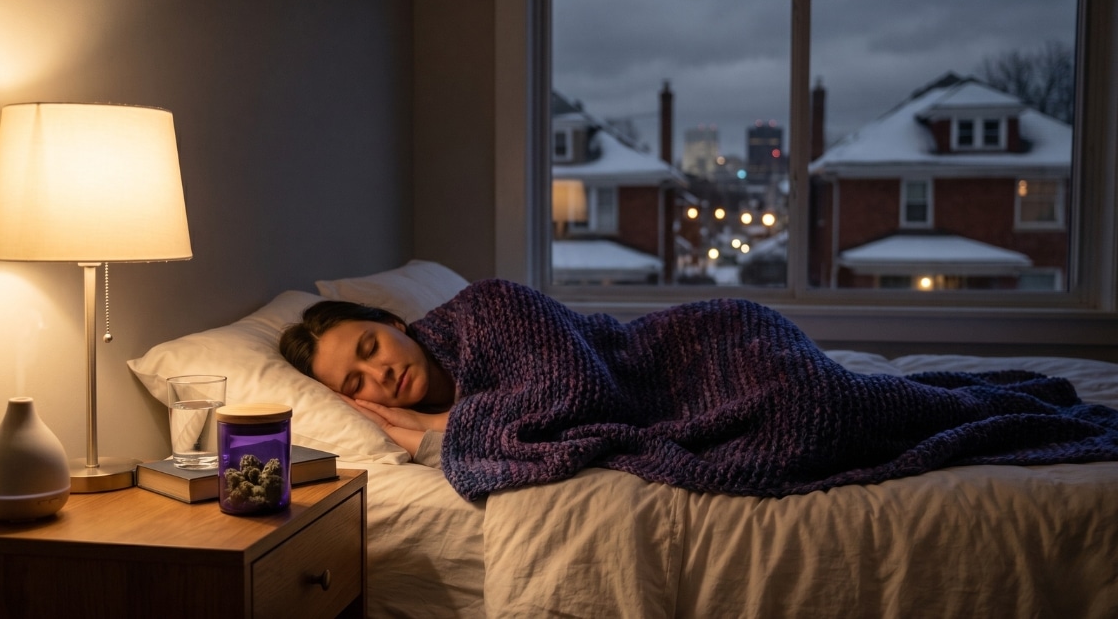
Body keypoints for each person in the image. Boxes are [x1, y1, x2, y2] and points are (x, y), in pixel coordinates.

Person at [283, 279, 1118, 501]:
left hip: (710, 344)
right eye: (355, 382)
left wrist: (434, 435)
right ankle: (1009, 403)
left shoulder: (488, 306)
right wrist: (421, 431)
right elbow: (541, 437)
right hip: (695, 398)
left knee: (818, 408)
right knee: (816, 419)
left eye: (369, 345)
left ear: (389, 321)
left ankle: (1027, 405)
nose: (377, 370)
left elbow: (575, 393)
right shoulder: (443, 415)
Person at [280, 300, 452, 468]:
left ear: (393, 324)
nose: (381, 374)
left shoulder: (471, 320)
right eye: (357, 383)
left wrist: (430, 423)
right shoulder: (404, 422)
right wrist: (390, 430)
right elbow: (471, 459)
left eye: (372, 348)